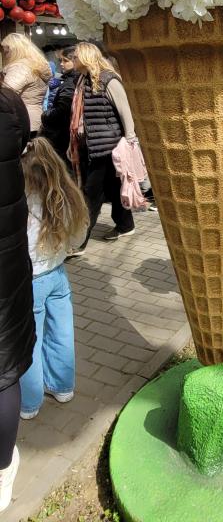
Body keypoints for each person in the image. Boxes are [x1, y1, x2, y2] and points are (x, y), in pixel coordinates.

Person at [19, 138, 88, 419]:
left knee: (29, 342)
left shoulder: (20, 205)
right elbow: (78, 237)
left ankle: (29, 402)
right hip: (58, 274)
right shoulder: (68, 198)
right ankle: (63, 387)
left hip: (30, 280)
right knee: (62, 331)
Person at [0, 85, 35, 513]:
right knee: (4, 370)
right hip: (6, 261)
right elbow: (24, 140)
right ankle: (4, 466)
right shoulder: (8, 102)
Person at [69, 42, 136, 253]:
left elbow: (125, 111)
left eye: (75, 57)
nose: (72, 60)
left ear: (86, 57)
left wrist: (130, 140)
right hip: (91, 146)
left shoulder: (108, 79)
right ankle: (126, 225)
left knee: (90, 194)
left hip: (107, 147)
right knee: (113, 189)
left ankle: (79, 241)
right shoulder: (82, 80)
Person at [1, 33, 51, 135]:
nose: (5, 55)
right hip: (33, 119)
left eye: (6, 52)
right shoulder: (35, 64)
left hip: (20, 120)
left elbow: (6, 94)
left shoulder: (20, 67)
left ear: (13, 50)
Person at [40, 46, 78, 163]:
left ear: (75, 61)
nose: (61, 64)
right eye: (61, 60)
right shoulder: (71, 80)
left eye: (65, 61)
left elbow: (63, 109)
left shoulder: (70, 83)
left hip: (63, 134)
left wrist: (46, 115)